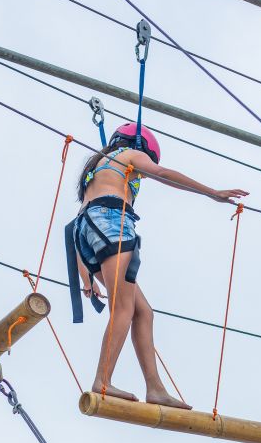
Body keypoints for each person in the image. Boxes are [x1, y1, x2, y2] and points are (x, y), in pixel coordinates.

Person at [65, 123, 248, 408]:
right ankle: (103, 380)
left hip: (88, 232)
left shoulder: (97, 170)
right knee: (123, 307)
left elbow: (78, 229)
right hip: (113, 224)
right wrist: (212, 192)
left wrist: (86, 279)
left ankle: (155, 388)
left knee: (143, 312)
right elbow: (163, 174)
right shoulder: (129, 155)